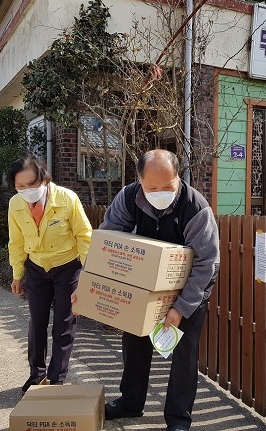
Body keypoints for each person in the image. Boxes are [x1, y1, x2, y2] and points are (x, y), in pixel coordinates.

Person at [73, 149, 220, 431]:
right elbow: (108, 241)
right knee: (134, 343)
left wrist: (181, 308)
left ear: (179, 177)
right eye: (152, 187)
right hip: (142, 289)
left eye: (169, 186)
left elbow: (207, 264)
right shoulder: (129, 198)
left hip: (188, 291)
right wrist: (86, 284)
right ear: (139, 179)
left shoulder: (196, 208)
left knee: (184, 355)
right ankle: (130, 401)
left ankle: (178, 420)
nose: (161, 192)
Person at [6, 154, 92, 393]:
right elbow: (16, 241)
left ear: (43, 178)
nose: (27, 190)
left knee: (64, 323)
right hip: (36, 268)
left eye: (32, 184)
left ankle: (56, 377)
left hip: (67, 267)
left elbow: (85, 237)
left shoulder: (67, 199)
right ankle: (37, 374)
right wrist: (17, 273)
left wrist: (87, 274)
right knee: (37, 322)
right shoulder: (15, 204)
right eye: (20, 186)